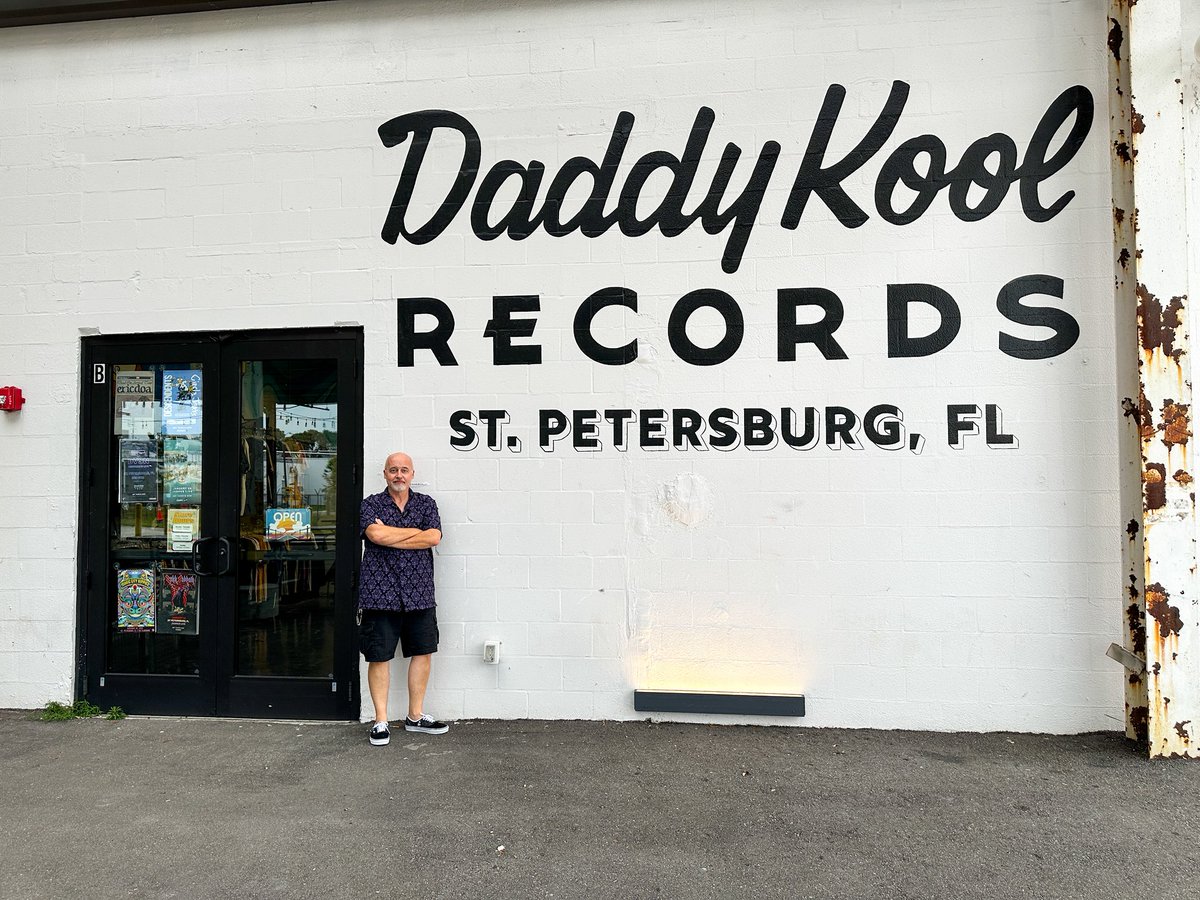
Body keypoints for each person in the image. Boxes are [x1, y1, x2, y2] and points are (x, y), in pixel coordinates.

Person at [358, 451, 448, 746]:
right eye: (393, 470)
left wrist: (392, 533)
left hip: (419, 593)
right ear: (385, 473)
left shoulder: (426, 504)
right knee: (379, 655)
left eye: (404, 470)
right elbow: (375, 536)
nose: (399, 475)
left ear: (412, 474)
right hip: (378, 593)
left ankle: (415, 716)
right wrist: (413, 533)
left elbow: (433, 537)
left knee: (422, 652)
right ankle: (381, 721)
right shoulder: (371, 504)